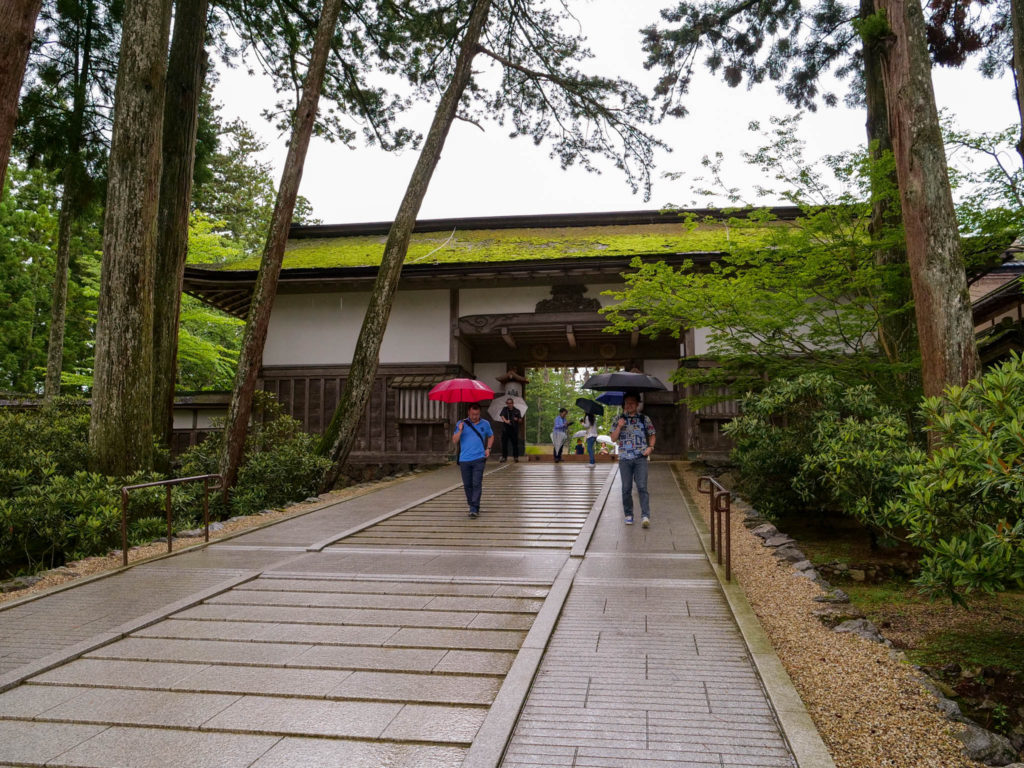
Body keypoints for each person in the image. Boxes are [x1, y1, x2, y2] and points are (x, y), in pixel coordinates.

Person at [610, 392, 656, 527]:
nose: (629, 405)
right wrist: (619, 426)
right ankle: (628, 514)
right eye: (626, 403)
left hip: (640, 457)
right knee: (626, 488)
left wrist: (651, 447)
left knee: (642, 487)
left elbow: (652, 434)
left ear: (637, 404)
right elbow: (613, 438)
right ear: (623, 404)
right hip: (624, 458)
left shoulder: (644, 418)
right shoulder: (618, 418)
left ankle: (645, 516)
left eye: (632, 403)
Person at [452, 403, 493, 518]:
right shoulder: (461, 424)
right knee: (467, 484)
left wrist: (488, 448)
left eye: (477, 414)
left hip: (479, 458)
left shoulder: (485, 423)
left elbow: (491, 436)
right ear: (468, 413)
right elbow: (454, 440)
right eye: (473, 414)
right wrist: (460, 430)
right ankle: (472, 505)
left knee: (476, 483)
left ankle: (474, 508)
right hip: (464, 459)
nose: (475, 416)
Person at [499, 397, 522, 462]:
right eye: (508, 403)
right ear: (506, 403)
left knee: (515, 444)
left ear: (513, 403)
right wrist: (506, 421)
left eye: (510, 403)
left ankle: (516, 457)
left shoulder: (517, 411)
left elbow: (520, 420)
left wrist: (517, 419)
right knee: (504, 444)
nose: (509, 404)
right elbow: (502, 416)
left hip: (514, 430)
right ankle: (504, 457)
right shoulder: (505, 409)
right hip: (505, 429)